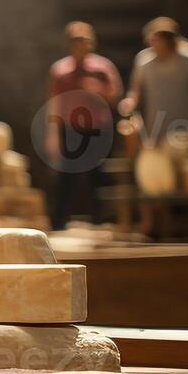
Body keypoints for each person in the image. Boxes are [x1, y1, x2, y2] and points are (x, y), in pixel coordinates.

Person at [121, 18, 188, 234]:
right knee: (149, 171)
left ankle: (180, 224)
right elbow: (136, 91)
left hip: (183, 129)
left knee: (176, 172)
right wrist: (129, 103)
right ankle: (151, 223)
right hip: (154, 129)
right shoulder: (144, 62)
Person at [46, 21, 124, 230]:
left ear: (91, 43)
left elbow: (115, 96)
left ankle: (102, 221)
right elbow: (55, 103)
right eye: (75, 41)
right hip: (70, 130)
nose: (79, 46)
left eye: (83, 41)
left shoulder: (103, 68)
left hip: (97, 130)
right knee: (66, 177)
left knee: (97, 177)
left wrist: (97, 90)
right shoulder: (61, 70)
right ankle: (59, 222)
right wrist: (53, 134)